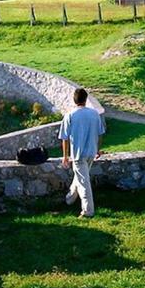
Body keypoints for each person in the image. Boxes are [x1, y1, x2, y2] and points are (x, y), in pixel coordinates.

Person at [59, 87, 105, 218]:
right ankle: (69, 199)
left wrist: (65, 156)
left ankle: (88, 211)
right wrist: (97, 149)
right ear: (85, 99)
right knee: (80, 177)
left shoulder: (70, 115)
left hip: (78, 154)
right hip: (91, 151)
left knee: (83, 182)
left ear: (74, 100)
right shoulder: (94, 114)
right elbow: (101, 133)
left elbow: (65, 138)